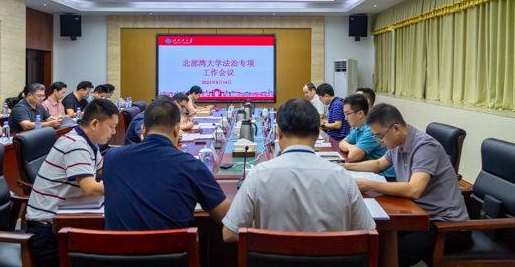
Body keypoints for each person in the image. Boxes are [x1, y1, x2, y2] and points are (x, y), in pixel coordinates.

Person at [221, 98, 374, 242]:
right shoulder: (342, 177)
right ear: (317, 135)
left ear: (279, 133)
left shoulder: (259, 174)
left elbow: (229, 233)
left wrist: (263, 228)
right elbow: (367, 231)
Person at [343, 103, 472, 267]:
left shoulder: (425, 147)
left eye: (380, 136)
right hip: (418, 216)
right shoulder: (397, 144)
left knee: (385, 254)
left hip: (446, 227)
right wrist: (344, 167)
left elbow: (414, 190)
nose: (379, 142)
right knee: (374, 239)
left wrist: (368, 184)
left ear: (396, 128)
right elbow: (378, 164)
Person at [104, 98, 230, 230]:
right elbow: (225, 216)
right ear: (177, 130)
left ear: (143, 130)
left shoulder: (112, 158)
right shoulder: (191, 166)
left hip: (117, 244)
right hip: (172, 244)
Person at [26, 99, 118, 267]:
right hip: (48, 234)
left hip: (63, 222)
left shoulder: (87, 142)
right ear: (95, 124)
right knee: (110, 251)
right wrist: (125, 186)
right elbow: (91, 189)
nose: (114, 132)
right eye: (111, 126)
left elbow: (103, 171)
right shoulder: (76, 145)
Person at [338, 94, 395, 179]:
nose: (345, 118)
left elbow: (352, 157)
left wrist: (352, 149)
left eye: (347, 114)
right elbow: (341, 143)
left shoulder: (371, 129)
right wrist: (352, 147)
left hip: (383, 177)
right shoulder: (358, 127)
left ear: (360, 113)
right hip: (368, 171)